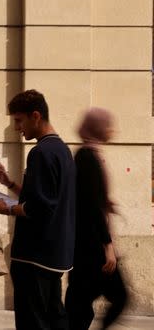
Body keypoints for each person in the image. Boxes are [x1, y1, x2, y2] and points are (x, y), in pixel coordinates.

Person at [0, 89, 76, 330]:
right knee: (54, 318)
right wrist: (10, 185)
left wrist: (6, 209)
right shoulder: (62, 151)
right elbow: (47, 198)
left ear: (35, 116)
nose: (18, 128)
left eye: (19, 120)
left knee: (33, 322)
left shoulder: (41, 153)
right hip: (54, 255)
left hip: (34, 257)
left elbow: (39, 207)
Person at [64, 108, 128, 329]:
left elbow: (92, 199)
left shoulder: (90, 154)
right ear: (97, 128)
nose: (112, 129)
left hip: (87, 244)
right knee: (115, 298)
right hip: (91, 246)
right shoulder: (87, 157)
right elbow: (90, 205)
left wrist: (107, 203)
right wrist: (107, 245)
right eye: (108, 125)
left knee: (80, 306)